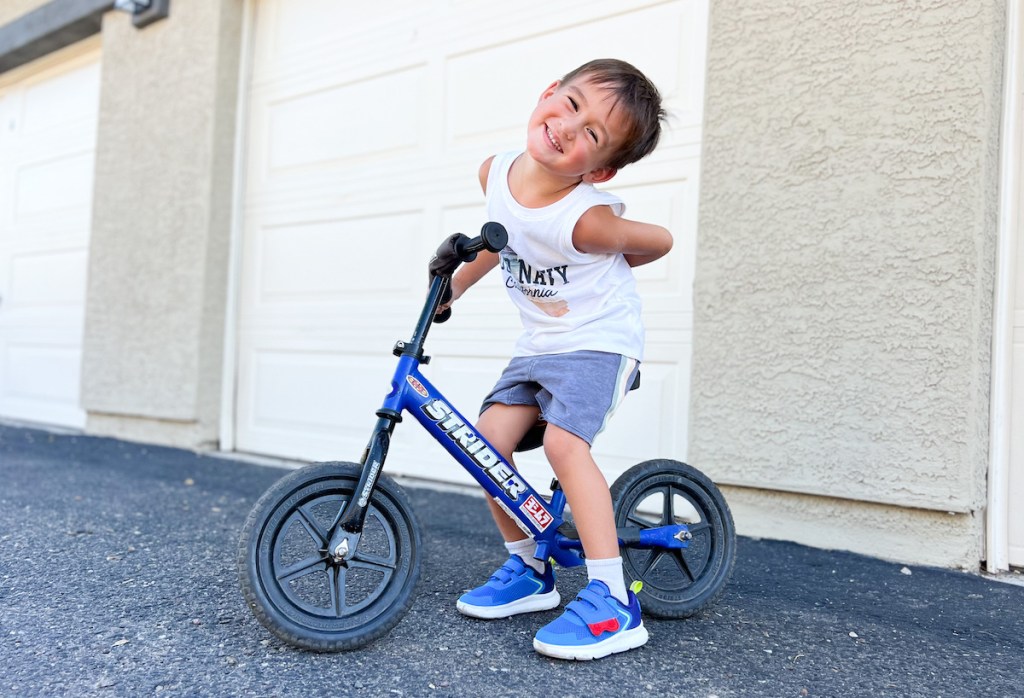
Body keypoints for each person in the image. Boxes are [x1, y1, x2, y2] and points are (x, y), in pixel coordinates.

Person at [440, 58, 672, 660]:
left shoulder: (587, 219)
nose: (569, 126)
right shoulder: (495, 172)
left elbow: (662, 241)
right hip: (539, 346)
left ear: (600, 168)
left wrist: (618, 248)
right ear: (548, 93)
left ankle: (614, 599)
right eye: (570, 105)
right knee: (483, 442)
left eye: (591, 134)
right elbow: (502, 236)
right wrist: (456, 288)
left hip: (599, 342)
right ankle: (529, 571)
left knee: (567, 447)